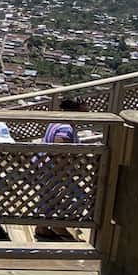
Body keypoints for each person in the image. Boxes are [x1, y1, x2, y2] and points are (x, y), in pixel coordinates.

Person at [35, 98, 86, 240]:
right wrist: (65, 172)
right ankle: (58, 225)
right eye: (84, 110)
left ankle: (42, 228)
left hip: (44, 168)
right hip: (55, 171)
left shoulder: (56, 121)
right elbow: (59, 151)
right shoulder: (66, 128)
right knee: (78, 198)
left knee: (46, 198)